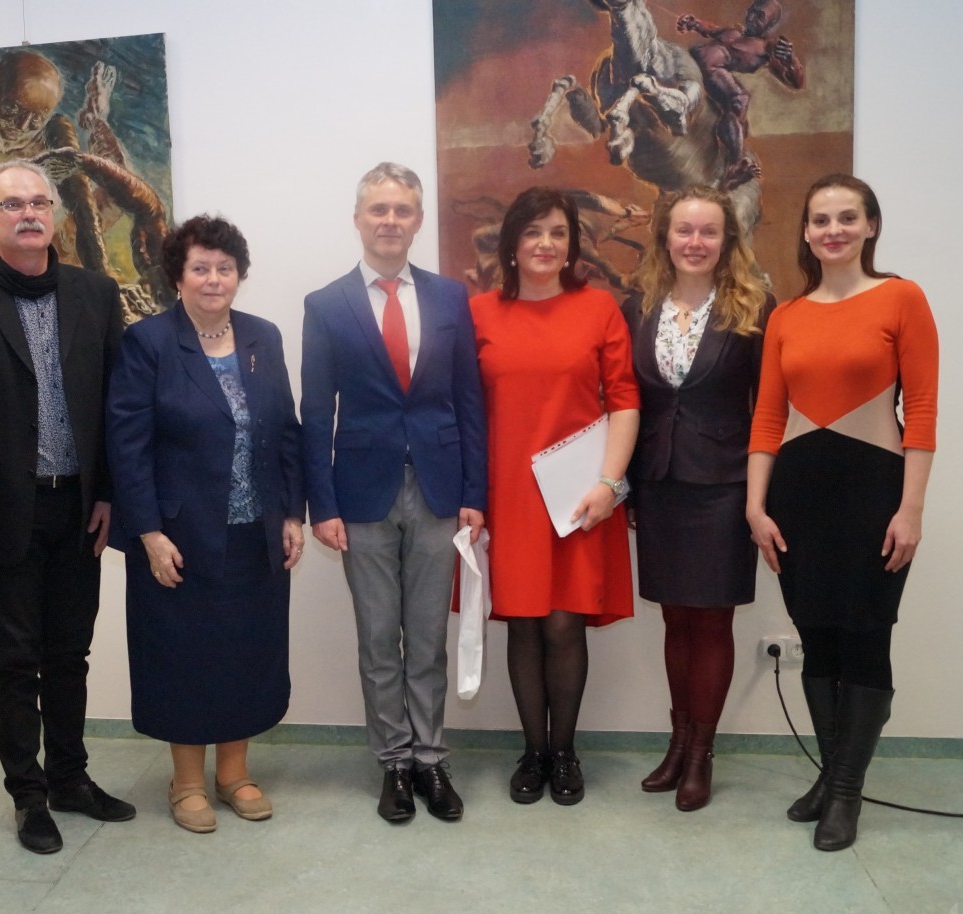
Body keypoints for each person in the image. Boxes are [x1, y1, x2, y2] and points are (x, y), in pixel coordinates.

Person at [0, 160, 135, 855]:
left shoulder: (96, 293)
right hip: (7, 514)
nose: (28, 213)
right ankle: (28, 794)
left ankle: (71, 777)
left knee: (70, 654)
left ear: (55, 214)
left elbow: (114, 405)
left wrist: (108, 492)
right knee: (15, 660)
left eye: (39, 202)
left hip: (80, 507)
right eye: (11, 204)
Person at [747, 174, 937, 851]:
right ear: (805, 232)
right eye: (821, 219)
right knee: (818, 638)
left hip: (873, 494)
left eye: (847, 217)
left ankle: (847, 792)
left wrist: (911, 509)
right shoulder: (787, 316)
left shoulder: (902, 298)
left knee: (865, 637)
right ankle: (832, 777)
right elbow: (768, 417)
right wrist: (755, 505)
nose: (833, 230)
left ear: (870, 225)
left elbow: (922, 411)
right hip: (797, 496)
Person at [301, 162, 487, 824]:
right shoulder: (326, 305)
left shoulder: (450, 298)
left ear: (418, 220)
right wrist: (321, 505)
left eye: (402, 210)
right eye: (378, 209)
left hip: (439, 490)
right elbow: (314, 410)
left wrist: (475, 491)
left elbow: (469, 401)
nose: (389, 220)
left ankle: (431, 758)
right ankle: (395, 764)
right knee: (379, 637)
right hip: (361, 495)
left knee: (428, 637)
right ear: (358, 219)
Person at [107, 216, 304, 833]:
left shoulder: (263, 337)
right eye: (200, 268)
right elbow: (127, 445)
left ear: (239, 275)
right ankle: (187, 781)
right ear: (178, 276)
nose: (213, 278)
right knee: (184, 658)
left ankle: (234, 774)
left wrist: (291, 512)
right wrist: (148, 532)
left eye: (224, 268)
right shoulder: (149, 342)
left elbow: (286, 429)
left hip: (254, 532)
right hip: (179, 536)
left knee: (247, 653)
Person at [470, 186, 639, 806]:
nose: (545, 244)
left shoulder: (599, 308)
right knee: (523, 621)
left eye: (558, 232)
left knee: (565, 624)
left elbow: (625, 400)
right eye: (533, 231)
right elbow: (464, 411)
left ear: (572, 245)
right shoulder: (478, 313)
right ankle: (533, 752)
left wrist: (608, 484)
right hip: (509, 493)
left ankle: (564, 752)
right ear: (512, 243)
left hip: (579, 494)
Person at [622, 187, 773, 811]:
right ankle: (677, 743)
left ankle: (701, 756)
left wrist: (761, 496)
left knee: (711, 621)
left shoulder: (755, 307)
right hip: (658, 485)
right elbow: (630, 400)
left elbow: (769, 408)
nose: (695, 242)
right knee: (674, 618)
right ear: (665, 237)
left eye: (708, 231)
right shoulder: (638, 305)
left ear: (727, 239)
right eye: (683, 230)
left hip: (724, 486)